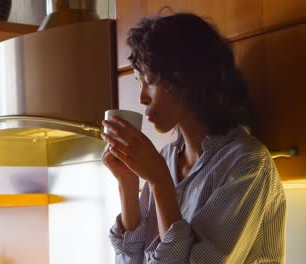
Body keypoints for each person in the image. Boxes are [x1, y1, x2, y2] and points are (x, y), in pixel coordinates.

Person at [101, 12, 286, 264]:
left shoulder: (248, 164)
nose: (141, 97)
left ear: (186, 79)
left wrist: (160, 182)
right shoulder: (165, 158)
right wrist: (128, 184)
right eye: (138, 80)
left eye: (150, 80)